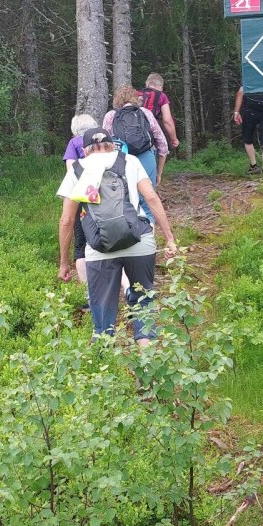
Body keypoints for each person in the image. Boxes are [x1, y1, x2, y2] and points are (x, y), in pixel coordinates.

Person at [57, 128, 178, 345]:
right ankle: (147, 359)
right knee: (143, 302)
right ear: (113, 145)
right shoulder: (129, 160)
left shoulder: (77, 169)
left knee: (102, 316)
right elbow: (150, 197)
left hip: (99, 249)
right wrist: (169, 238)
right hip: (139, 241)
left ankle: (104, 367)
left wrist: (64, 262)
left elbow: (66, 220)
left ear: (84, 151)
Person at [103, 86, 169, 221]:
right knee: (148, 200)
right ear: (135, 99)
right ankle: (149, 235)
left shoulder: (110, 116)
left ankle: (129, 236)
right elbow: (162, 143)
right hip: (146, 156)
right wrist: (159, 172)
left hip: (121, 160)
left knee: (124, 199)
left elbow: (105, 144)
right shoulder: (145, 113)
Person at [63, 114, 99, 302]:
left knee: (81, 244)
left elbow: (71, 169)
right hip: (105, 197)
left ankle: (88, 294)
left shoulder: (74, 143)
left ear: (75, 128)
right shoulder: (101, 139)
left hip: (81, 198)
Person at [139, 73, 180, 153]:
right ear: (160, 86)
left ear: (147, 83)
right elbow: (167, 121)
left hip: (132, 134)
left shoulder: (137, 94)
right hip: (149, 135)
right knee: (161, 153)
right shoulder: (161, 96)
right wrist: (174, 139)